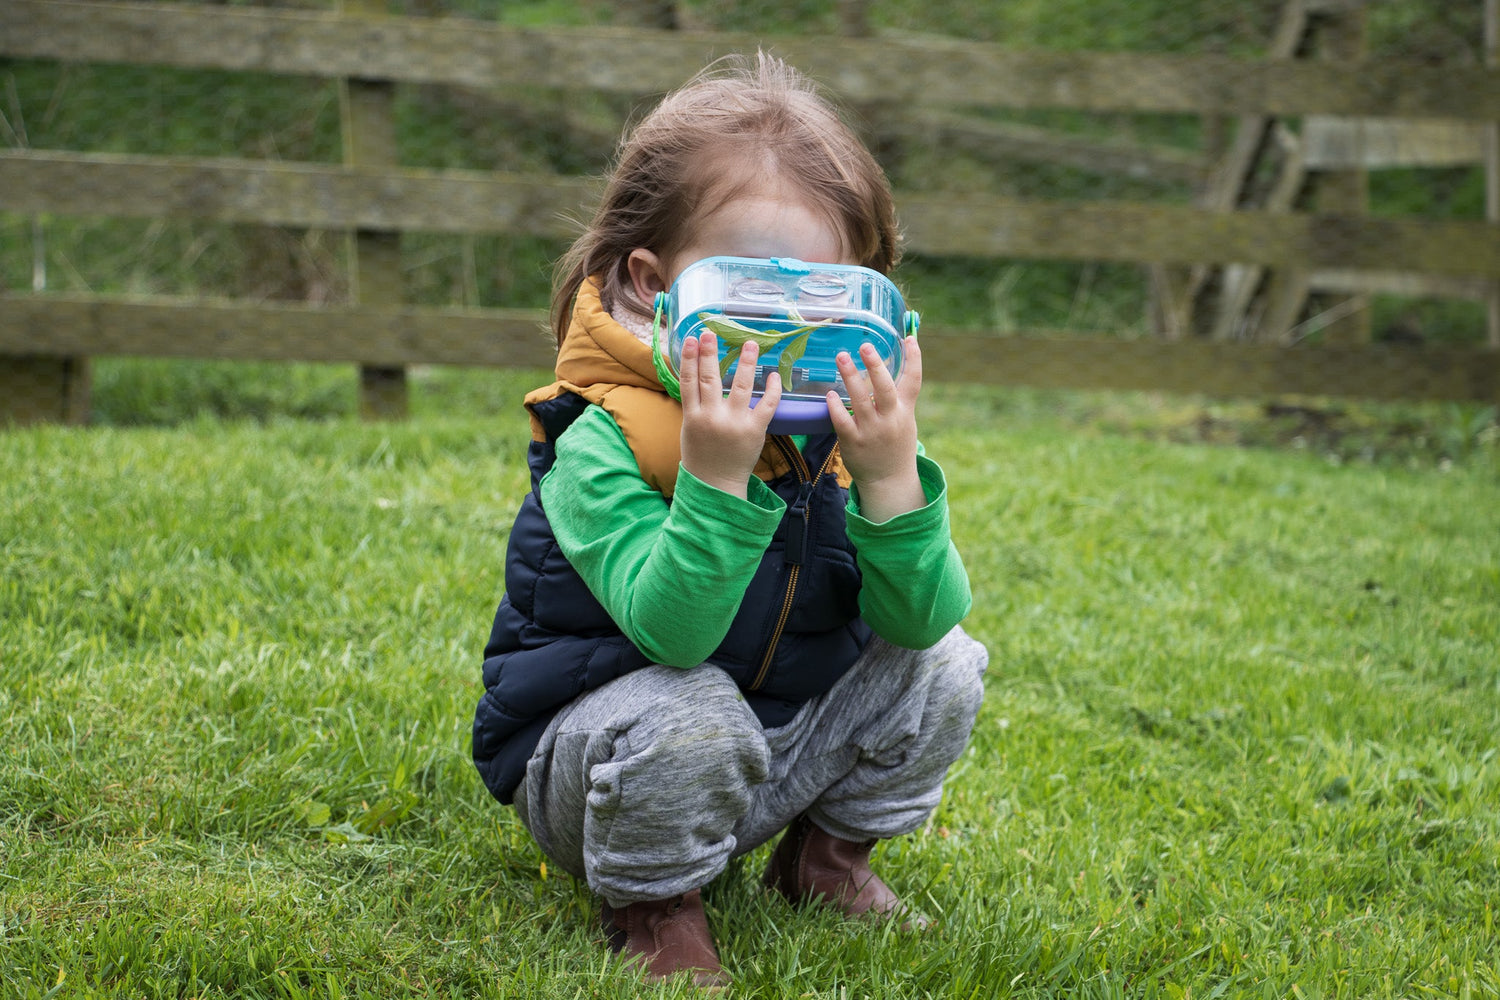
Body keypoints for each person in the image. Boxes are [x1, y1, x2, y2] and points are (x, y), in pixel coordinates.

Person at [472, 52, 988, 989]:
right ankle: (653, 903)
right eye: (751, 298)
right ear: (648, 282)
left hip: (762, 748)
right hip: (608, 765)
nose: (784, 340)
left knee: (945, 659)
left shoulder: (831, 426)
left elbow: (918, 622)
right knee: (693, 708)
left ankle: (826, 861)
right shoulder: (603, 438)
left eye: (821, 301)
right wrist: (715, 478)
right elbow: (675, 636)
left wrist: (889, 475)